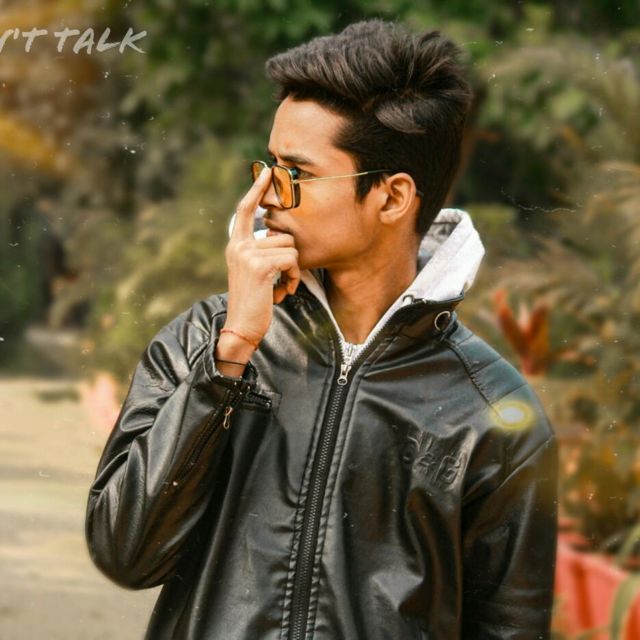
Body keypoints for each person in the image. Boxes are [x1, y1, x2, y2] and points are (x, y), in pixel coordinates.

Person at [85, 19, 558, 640]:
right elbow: (123, 553)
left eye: (296, 174)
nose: (264, 195)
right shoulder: (204, 341)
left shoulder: (488, 411)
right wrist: (228, 361)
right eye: (267, 166)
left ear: (392, 198)